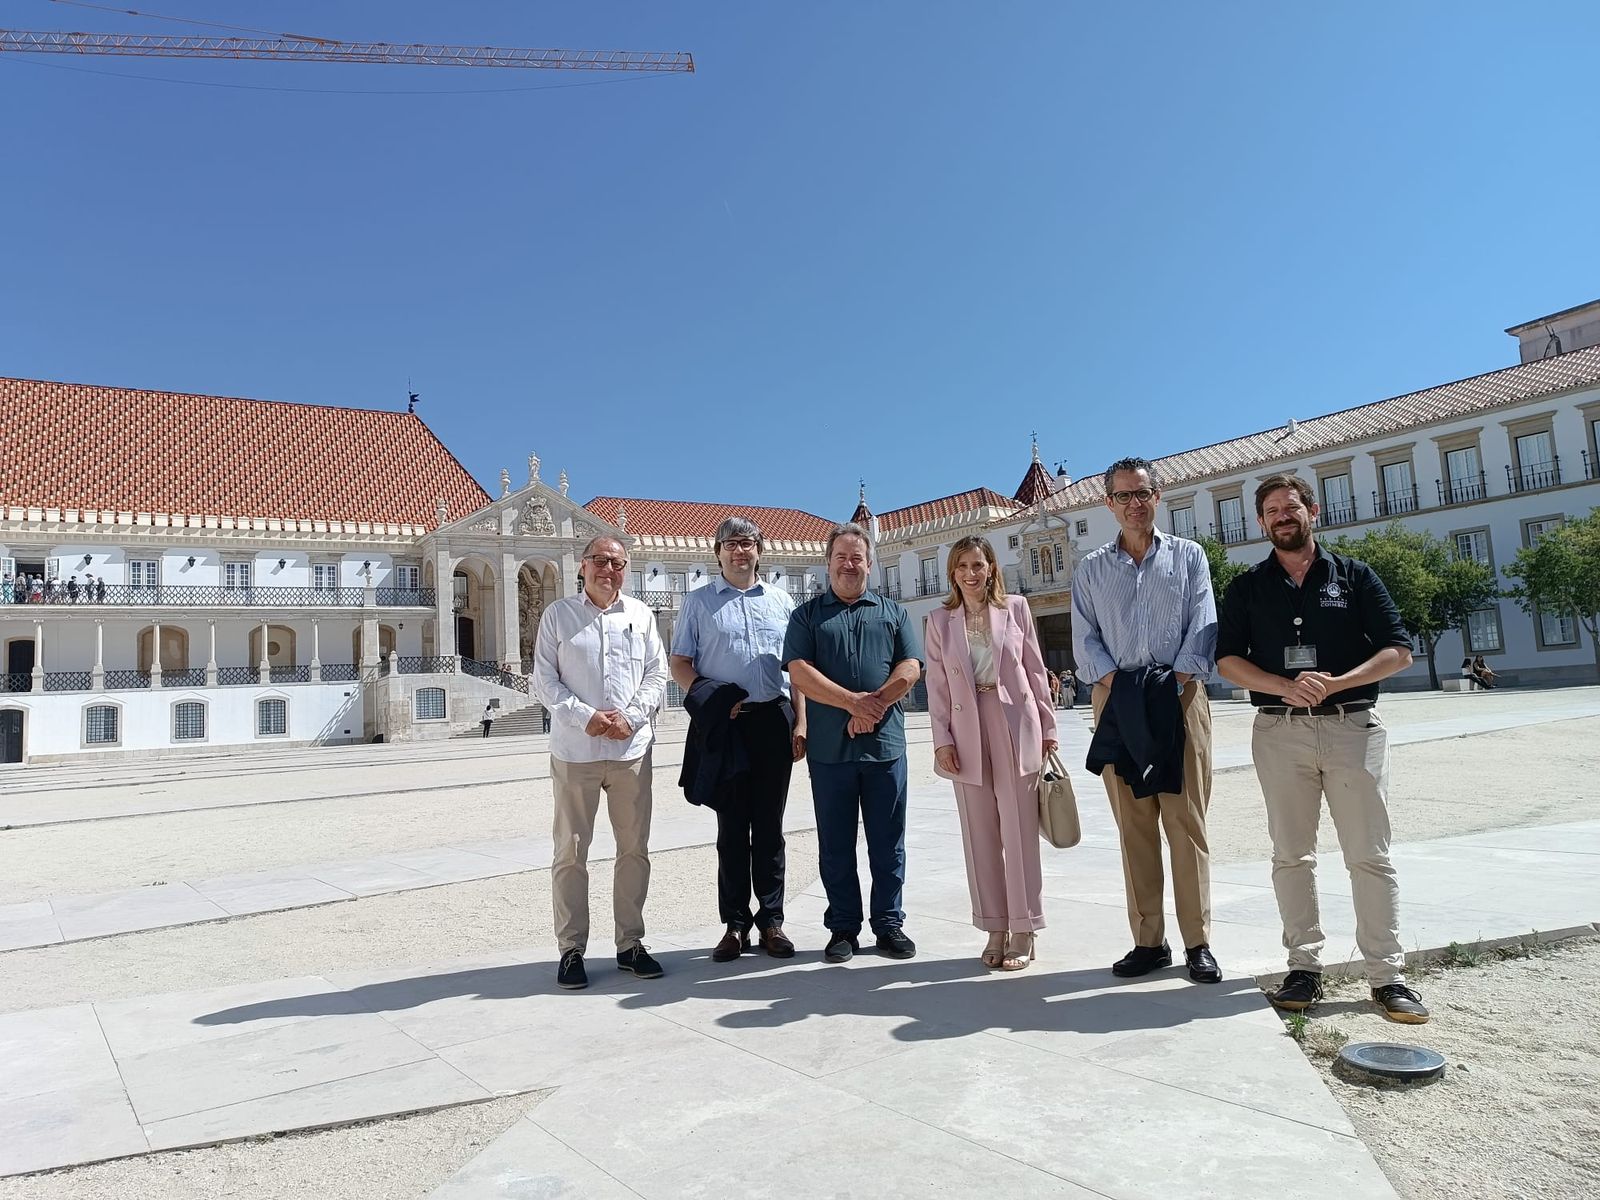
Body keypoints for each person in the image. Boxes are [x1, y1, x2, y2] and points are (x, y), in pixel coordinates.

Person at [1215, 473, 1428, 1024]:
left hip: (1351, 725)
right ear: (1260, 523)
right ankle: (1303, 968)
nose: (1283, 517)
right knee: (1291, 853)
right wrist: (1282, 685)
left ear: (1313, 511)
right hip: (1280, 729)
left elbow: (1398, 650)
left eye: (1292, 507)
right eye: (1272, 511)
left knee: (1369, 855)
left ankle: (1387, 975)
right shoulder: (1246, 587)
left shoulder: (1355, 577)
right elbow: (1227, 660)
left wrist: (1335, 682)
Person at [1071, 456, 1221, 984]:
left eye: (1144, 493)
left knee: (1186, 823)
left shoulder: (1189, 557)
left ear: (1159, 496)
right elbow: (1085, 639)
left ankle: (1198, 942)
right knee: (1134, 826)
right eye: (1124, 495)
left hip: (1179, 700)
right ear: (1108, 503)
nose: (1135, 503)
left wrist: (1169, 685)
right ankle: (1148, 941)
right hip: (1116, 703)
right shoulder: (1091, 568)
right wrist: (1123, 687)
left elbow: (1203, 626)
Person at [532, 534, 669, 991]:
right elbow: (545, 679)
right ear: (582, 567)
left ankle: (630, 944)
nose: (608, 569)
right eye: (600, 561)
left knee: (634, 849)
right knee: (570, 851)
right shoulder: (559, 616)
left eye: (617, 562)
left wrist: (629, 718)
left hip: (630, 750)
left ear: (626, 569)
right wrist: (585, 717)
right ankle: (571, 950)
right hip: (576, 751)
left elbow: (656, 672)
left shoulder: (641, 615)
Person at [783, 522, 923, 963]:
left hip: (885, 749)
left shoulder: (893, 612)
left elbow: (911, 666)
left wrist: (875, 705)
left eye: (857, 557)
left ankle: (888, 924)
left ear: (869, 563)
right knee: (836, 843)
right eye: (841, 557)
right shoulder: (806, 616)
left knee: (888, 841)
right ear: (828, 564)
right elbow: (799, 672)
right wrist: (852, 704)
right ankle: (843, 926)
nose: (849, 564)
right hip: (830, 752)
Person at [670, 516, 807, 963]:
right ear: (718, 553)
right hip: (726, 726)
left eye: (746, 543)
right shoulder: (698, 603)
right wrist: (710, 696)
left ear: (759, 550)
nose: (739, 551)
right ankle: (734, 924)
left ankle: (772, 921)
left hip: (773, 720)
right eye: (730, 544)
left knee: (770, 827)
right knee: (731, 828)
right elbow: (680, 663)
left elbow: (797, 670)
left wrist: (800, 722)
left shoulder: (782, 601)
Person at [925, 535, 1057, 970]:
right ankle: (995, 926)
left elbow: (1036, 670)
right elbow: (937, 687)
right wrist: (942, 739)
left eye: (978, 565)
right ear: (952, 573)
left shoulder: (1015, 609)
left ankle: (1024, 927)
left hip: (1015, 723)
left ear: (991, 568)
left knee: (1019, 829)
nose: (970, 573)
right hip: (965, 727)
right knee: (979, 833)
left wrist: (1049, 728)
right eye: (962, 566)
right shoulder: (939, 620)